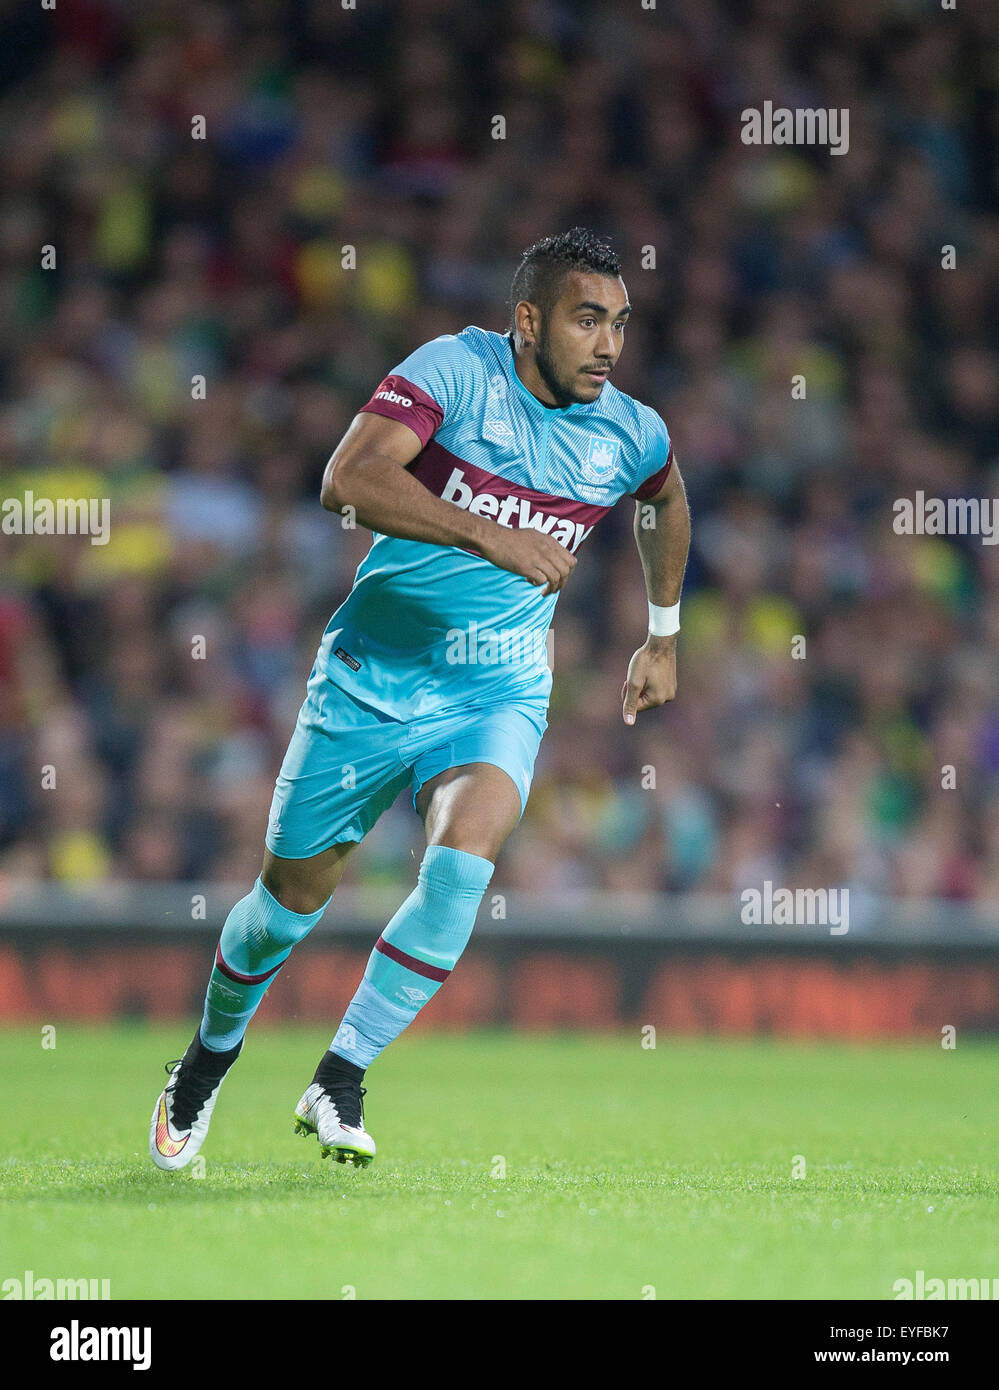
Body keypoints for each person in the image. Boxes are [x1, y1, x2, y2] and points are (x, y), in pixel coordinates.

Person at [149, 227, 690, 1170]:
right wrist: (487, 532)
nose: (607, 344)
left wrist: (663, 631)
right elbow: (345, 482)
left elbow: (666, 500)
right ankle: (203, 1066)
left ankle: (341, 1075)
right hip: (371, 678)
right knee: (285, 908)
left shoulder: (630, 430)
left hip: (499, 685)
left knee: (462, 864)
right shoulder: (456, 370)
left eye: (619, 324)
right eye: (586, 319)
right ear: (528, 320)